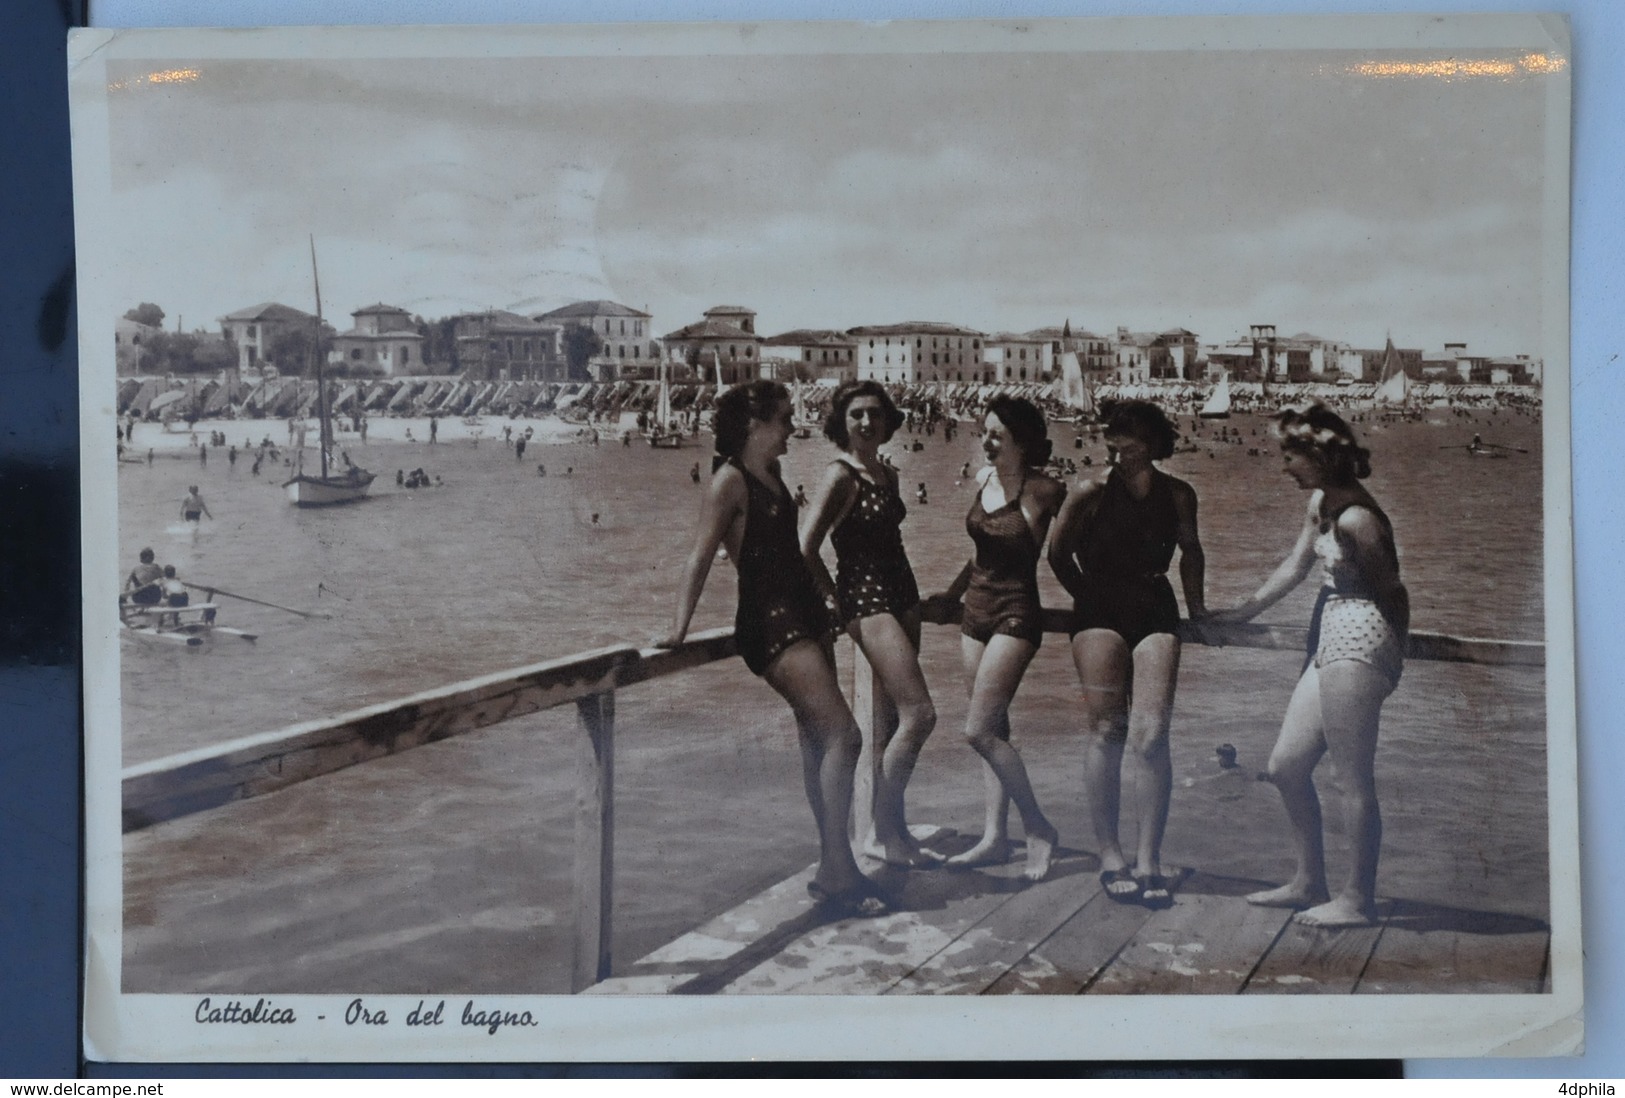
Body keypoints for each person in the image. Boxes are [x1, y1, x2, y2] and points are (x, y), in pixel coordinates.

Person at [657, 380, 887, 917]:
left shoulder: (774, 473)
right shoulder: (729, 482)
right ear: (755, 425)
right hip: (770, 621)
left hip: (804, 613)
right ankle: (838, 869)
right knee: (845, 737)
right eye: (783, 419)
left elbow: (791, 551)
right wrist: (677, 629)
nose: (791, 427)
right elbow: (699, 556)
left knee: (818, 743)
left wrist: (826, 601)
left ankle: (835, 867)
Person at [1210, 404, 1408, 928]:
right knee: (1286, 768)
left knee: (1352, 780)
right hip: (1331, 634)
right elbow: (1297, 567)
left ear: (1319, 457)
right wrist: (1242, 611)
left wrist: (1385, 664)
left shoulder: (1359, 520)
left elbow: (1393, 593)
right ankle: (1309, 882)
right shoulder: (1322, 503)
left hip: (1362, 640)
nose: (1284, 466)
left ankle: (1357, 900)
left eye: (1290, 455)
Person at [1048, 400, 1206, 908]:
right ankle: (1110, 854)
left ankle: (1149, 859)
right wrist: (1087, 597)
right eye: (1114, 443)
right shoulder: (1089, 490)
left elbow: (1192, 551)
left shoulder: (1180, 494)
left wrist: (1199, 609)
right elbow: (1056, 552)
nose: (1120, 453)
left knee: (1153, 734)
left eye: (1132, 443)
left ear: (1155, 444)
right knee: (1106, 730)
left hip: (1155, 606)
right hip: (1098, 608)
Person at [800, 380, 939, 868]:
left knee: (893, 720)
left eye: (875, 414)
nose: (866, 423)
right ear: (842, 423)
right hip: (866, 597)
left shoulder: (889, 474)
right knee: (921, 715)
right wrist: (833, 601)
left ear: (888, 421)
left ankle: (887, 830)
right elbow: (806, 546)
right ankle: (885, 825)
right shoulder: (840, 476)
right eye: (856, 415)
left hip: (903, 591)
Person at [933, 396, 1064, 880]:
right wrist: (949, 596)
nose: (986, 441)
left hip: (1016, 613)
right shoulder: (982, 479)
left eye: (996, 435)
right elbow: (979, 556)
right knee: (995, 732)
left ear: (1021, 440)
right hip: (974, 611)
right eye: (983, 432)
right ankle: (994, 837)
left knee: (978, 731)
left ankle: (1039, 827)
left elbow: (1072, 549)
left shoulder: (1046, 490)